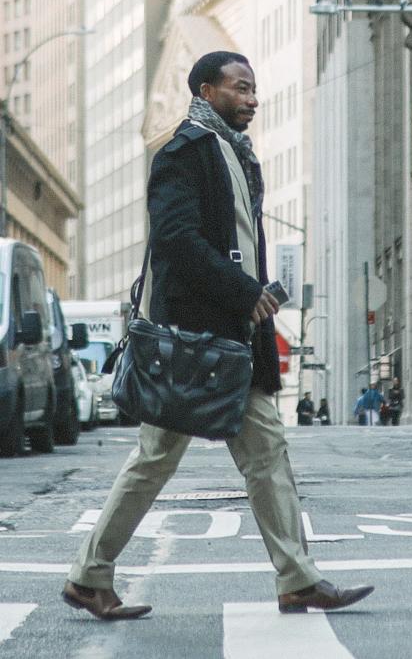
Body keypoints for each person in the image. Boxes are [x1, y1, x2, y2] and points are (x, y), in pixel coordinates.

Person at [61, 52, 373, 620]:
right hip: (194, 342)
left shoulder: (233, 152)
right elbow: (176, 240)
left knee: (266, 455)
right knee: (154, 460)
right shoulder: (185, 152)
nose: (253, 99)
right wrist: (242, 290)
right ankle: (89, 574)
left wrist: (248, 297)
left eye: (256, 90)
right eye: (242, 88)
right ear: (207, 89)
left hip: (230, 340)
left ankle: (297, 578)